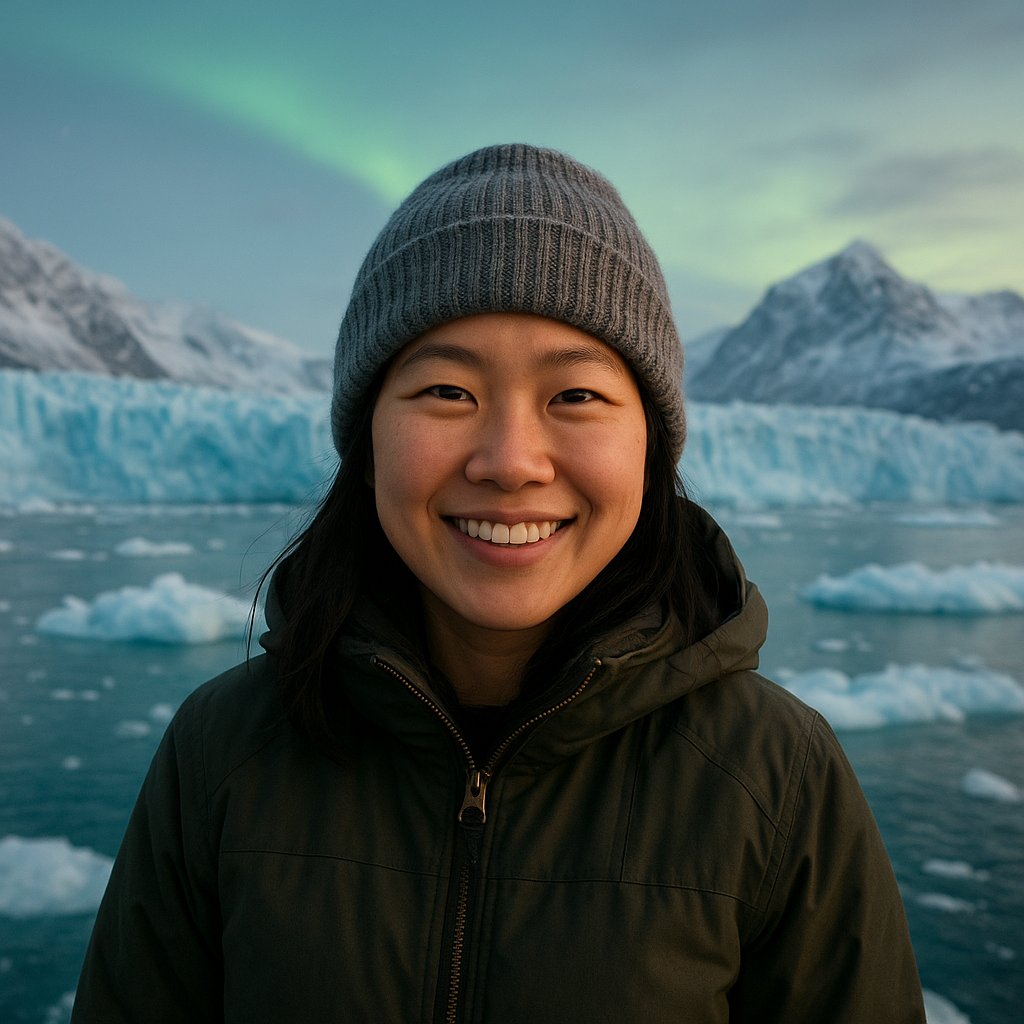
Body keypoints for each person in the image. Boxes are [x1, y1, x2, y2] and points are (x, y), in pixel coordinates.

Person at [71, 144, 926, 1023]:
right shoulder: (222, 752)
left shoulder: (774, 777)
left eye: (576, 397)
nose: (510, 462)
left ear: (650, 448)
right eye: (446, 390)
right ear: (367, 444)